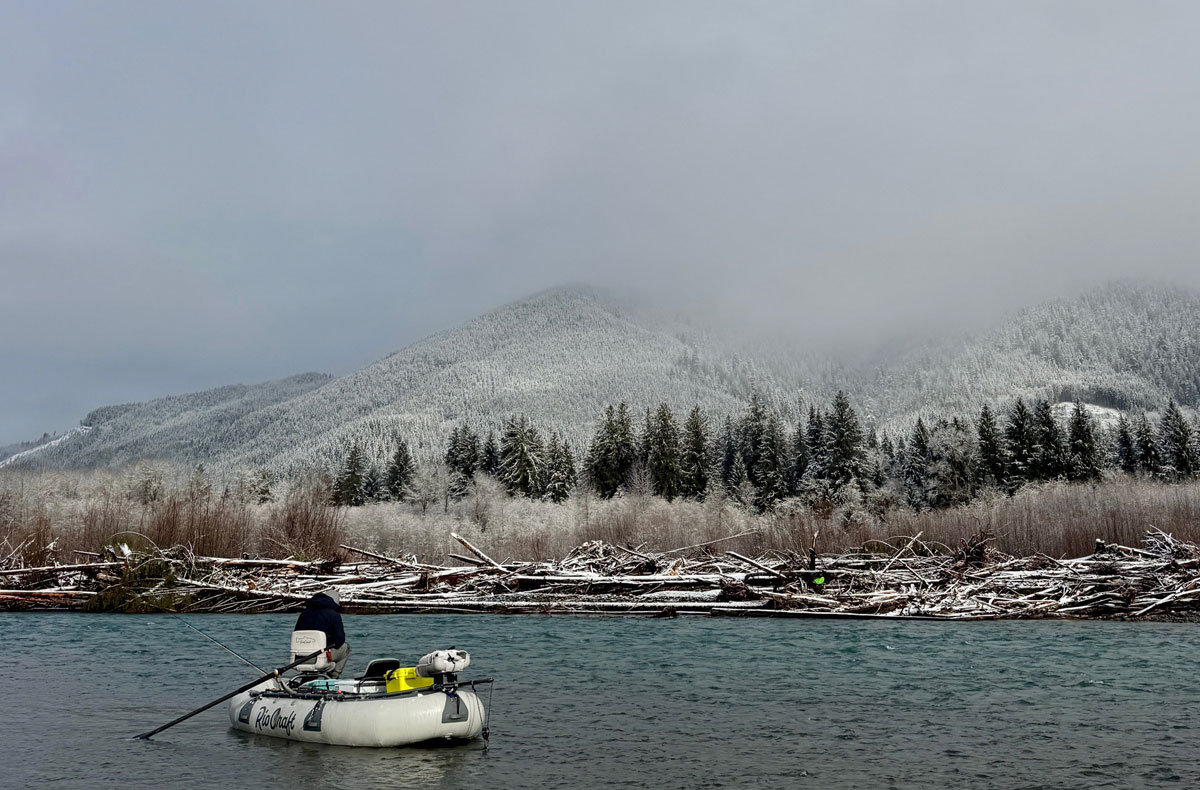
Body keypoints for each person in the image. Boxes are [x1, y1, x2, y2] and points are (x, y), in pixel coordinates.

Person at [294, 588, 350, 678]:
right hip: (319, 659)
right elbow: (340, 640)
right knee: (346, 648)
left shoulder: (304, 613)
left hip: (300, 658)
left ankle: (308, 678)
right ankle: (333, 677)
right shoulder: (334, 615)